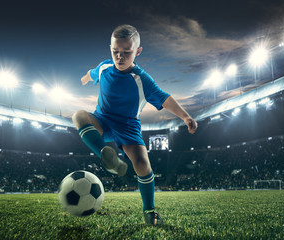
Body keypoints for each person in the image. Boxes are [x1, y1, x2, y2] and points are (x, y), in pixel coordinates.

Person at [72, 24, 197, 225]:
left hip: (128, 128)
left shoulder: (141, 78)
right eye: (115, 52)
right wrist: (85, 79)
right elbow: (92, 72)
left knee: (142, 165)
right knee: (78, 116)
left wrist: (185, 116)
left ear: (138, 52)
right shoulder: (104, 68)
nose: (119, 57)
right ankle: (107, 155)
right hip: (102, 120)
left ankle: (149, 211)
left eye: (126, 53)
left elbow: (163, 98)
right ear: (110, 48)